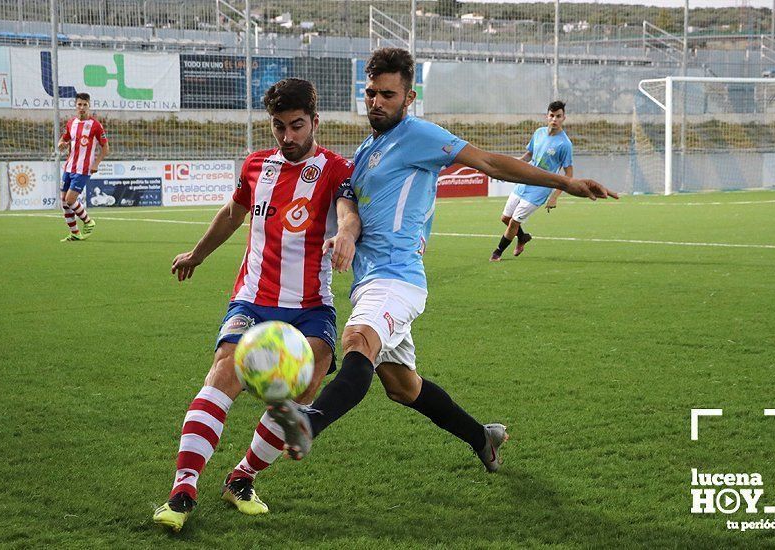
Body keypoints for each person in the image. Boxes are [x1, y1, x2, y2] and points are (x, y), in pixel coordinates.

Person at [267, 48, 617, 476]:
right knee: (402, 387)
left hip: (397, 279)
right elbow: (351, 201)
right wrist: (346, 228)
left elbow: (489, 162)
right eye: (371, 93)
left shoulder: (420, 135)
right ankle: (482, 437)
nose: (377, 102)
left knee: (357, 339)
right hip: (371, 279)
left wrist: (565, 182)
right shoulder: (366, 148)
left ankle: (310, 420)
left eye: (388, 95)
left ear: (409, 97)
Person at [152, 78, 360, 531]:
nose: (288, 137)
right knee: (225, 371)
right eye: (279, 127)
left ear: (315, 122)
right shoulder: (255, 166)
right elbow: (232, 214)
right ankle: (182, 489)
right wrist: (197, 254)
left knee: (304, 388)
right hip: (254, 296)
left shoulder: (336, 169)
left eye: (297, 126)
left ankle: (241, 477)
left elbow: (348, 210)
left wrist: (345, 234)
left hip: (310, 304)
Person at [490, 100, 573, 262]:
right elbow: (528, 155)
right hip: (524, 181)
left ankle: (497, 252)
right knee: (505, 218)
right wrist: (511, 167)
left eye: (558, 116)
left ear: (564, 118)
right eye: (552, 115)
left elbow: (569, 173)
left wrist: (555, 196)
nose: (554, 119)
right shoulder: (539, 133)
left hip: (541, 188)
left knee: (514, 221)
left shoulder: (565, 144)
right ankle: (522, 238)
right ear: (546, 116)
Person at [56, 92, 108, 242]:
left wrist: (96, 164)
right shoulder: (71, 123)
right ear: (75, 106)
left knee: (70, 200)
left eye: (85, 105)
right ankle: (75, 233)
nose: (82, 107)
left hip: (83, 169)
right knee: (64, 201)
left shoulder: (95, 125)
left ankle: (88, 221)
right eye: (79, 104)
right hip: (69, 167)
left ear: (89, 106)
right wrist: (61, 144)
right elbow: (63, 139)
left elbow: (106, 148)